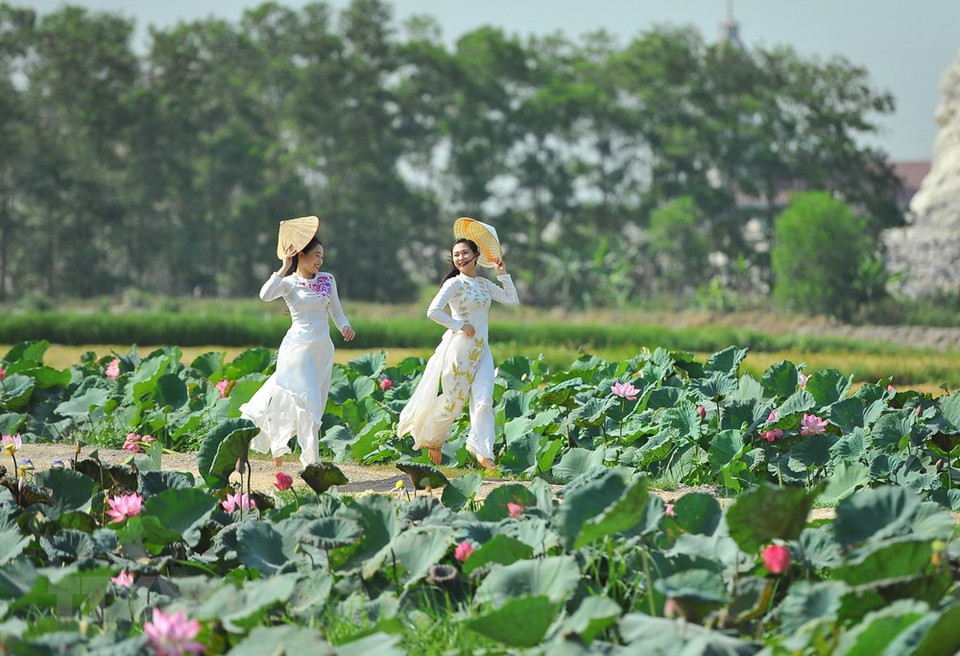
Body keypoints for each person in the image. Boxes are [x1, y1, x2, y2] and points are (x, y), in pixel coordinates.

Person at [397, 237, 518, 470]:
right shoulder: (453, 284)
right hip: (460, 351)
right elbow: (432, 311)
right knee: (453, 401)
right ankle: (433, 440)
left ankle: (484, 453)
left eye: (464, 253)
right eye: (456, 255)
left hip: (483, 350)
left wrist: (502, 273)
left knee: (483, 401)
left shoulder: (483, 283)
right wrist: (459, 325)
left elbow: (512, 300)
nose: (460, 258)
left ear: (476, 255)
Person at [240, 236, 355, 467]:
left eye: (322, 256)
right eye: (316, 255)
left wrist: (345, 326)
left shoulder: (328, 280)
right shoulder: (288, 283)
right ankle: (312, 464)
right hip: (298, 350)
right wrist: (283, 266)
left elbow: (337, 311)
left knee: (313, 407)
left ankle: (278, 439)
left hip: (322, 351)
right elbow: (265, 295)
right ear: (301, 255)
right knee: (309, 403)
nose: (320, 261)